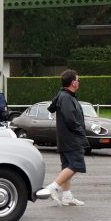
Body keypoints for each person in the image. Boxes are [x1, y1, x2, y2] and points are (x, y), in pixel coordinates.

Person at [43, 69, 88, 207]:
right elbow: (70, 119)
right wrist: (80, 131)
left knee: (67, 167)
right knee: (76, 165)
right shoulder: (66, 98)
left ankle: (67, 197)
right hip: (71, 139)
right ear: (73, 83)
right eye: (78, 80)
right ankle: (53, 187)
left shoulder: (63, 96)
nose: (79, 82)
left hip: (65, 139)